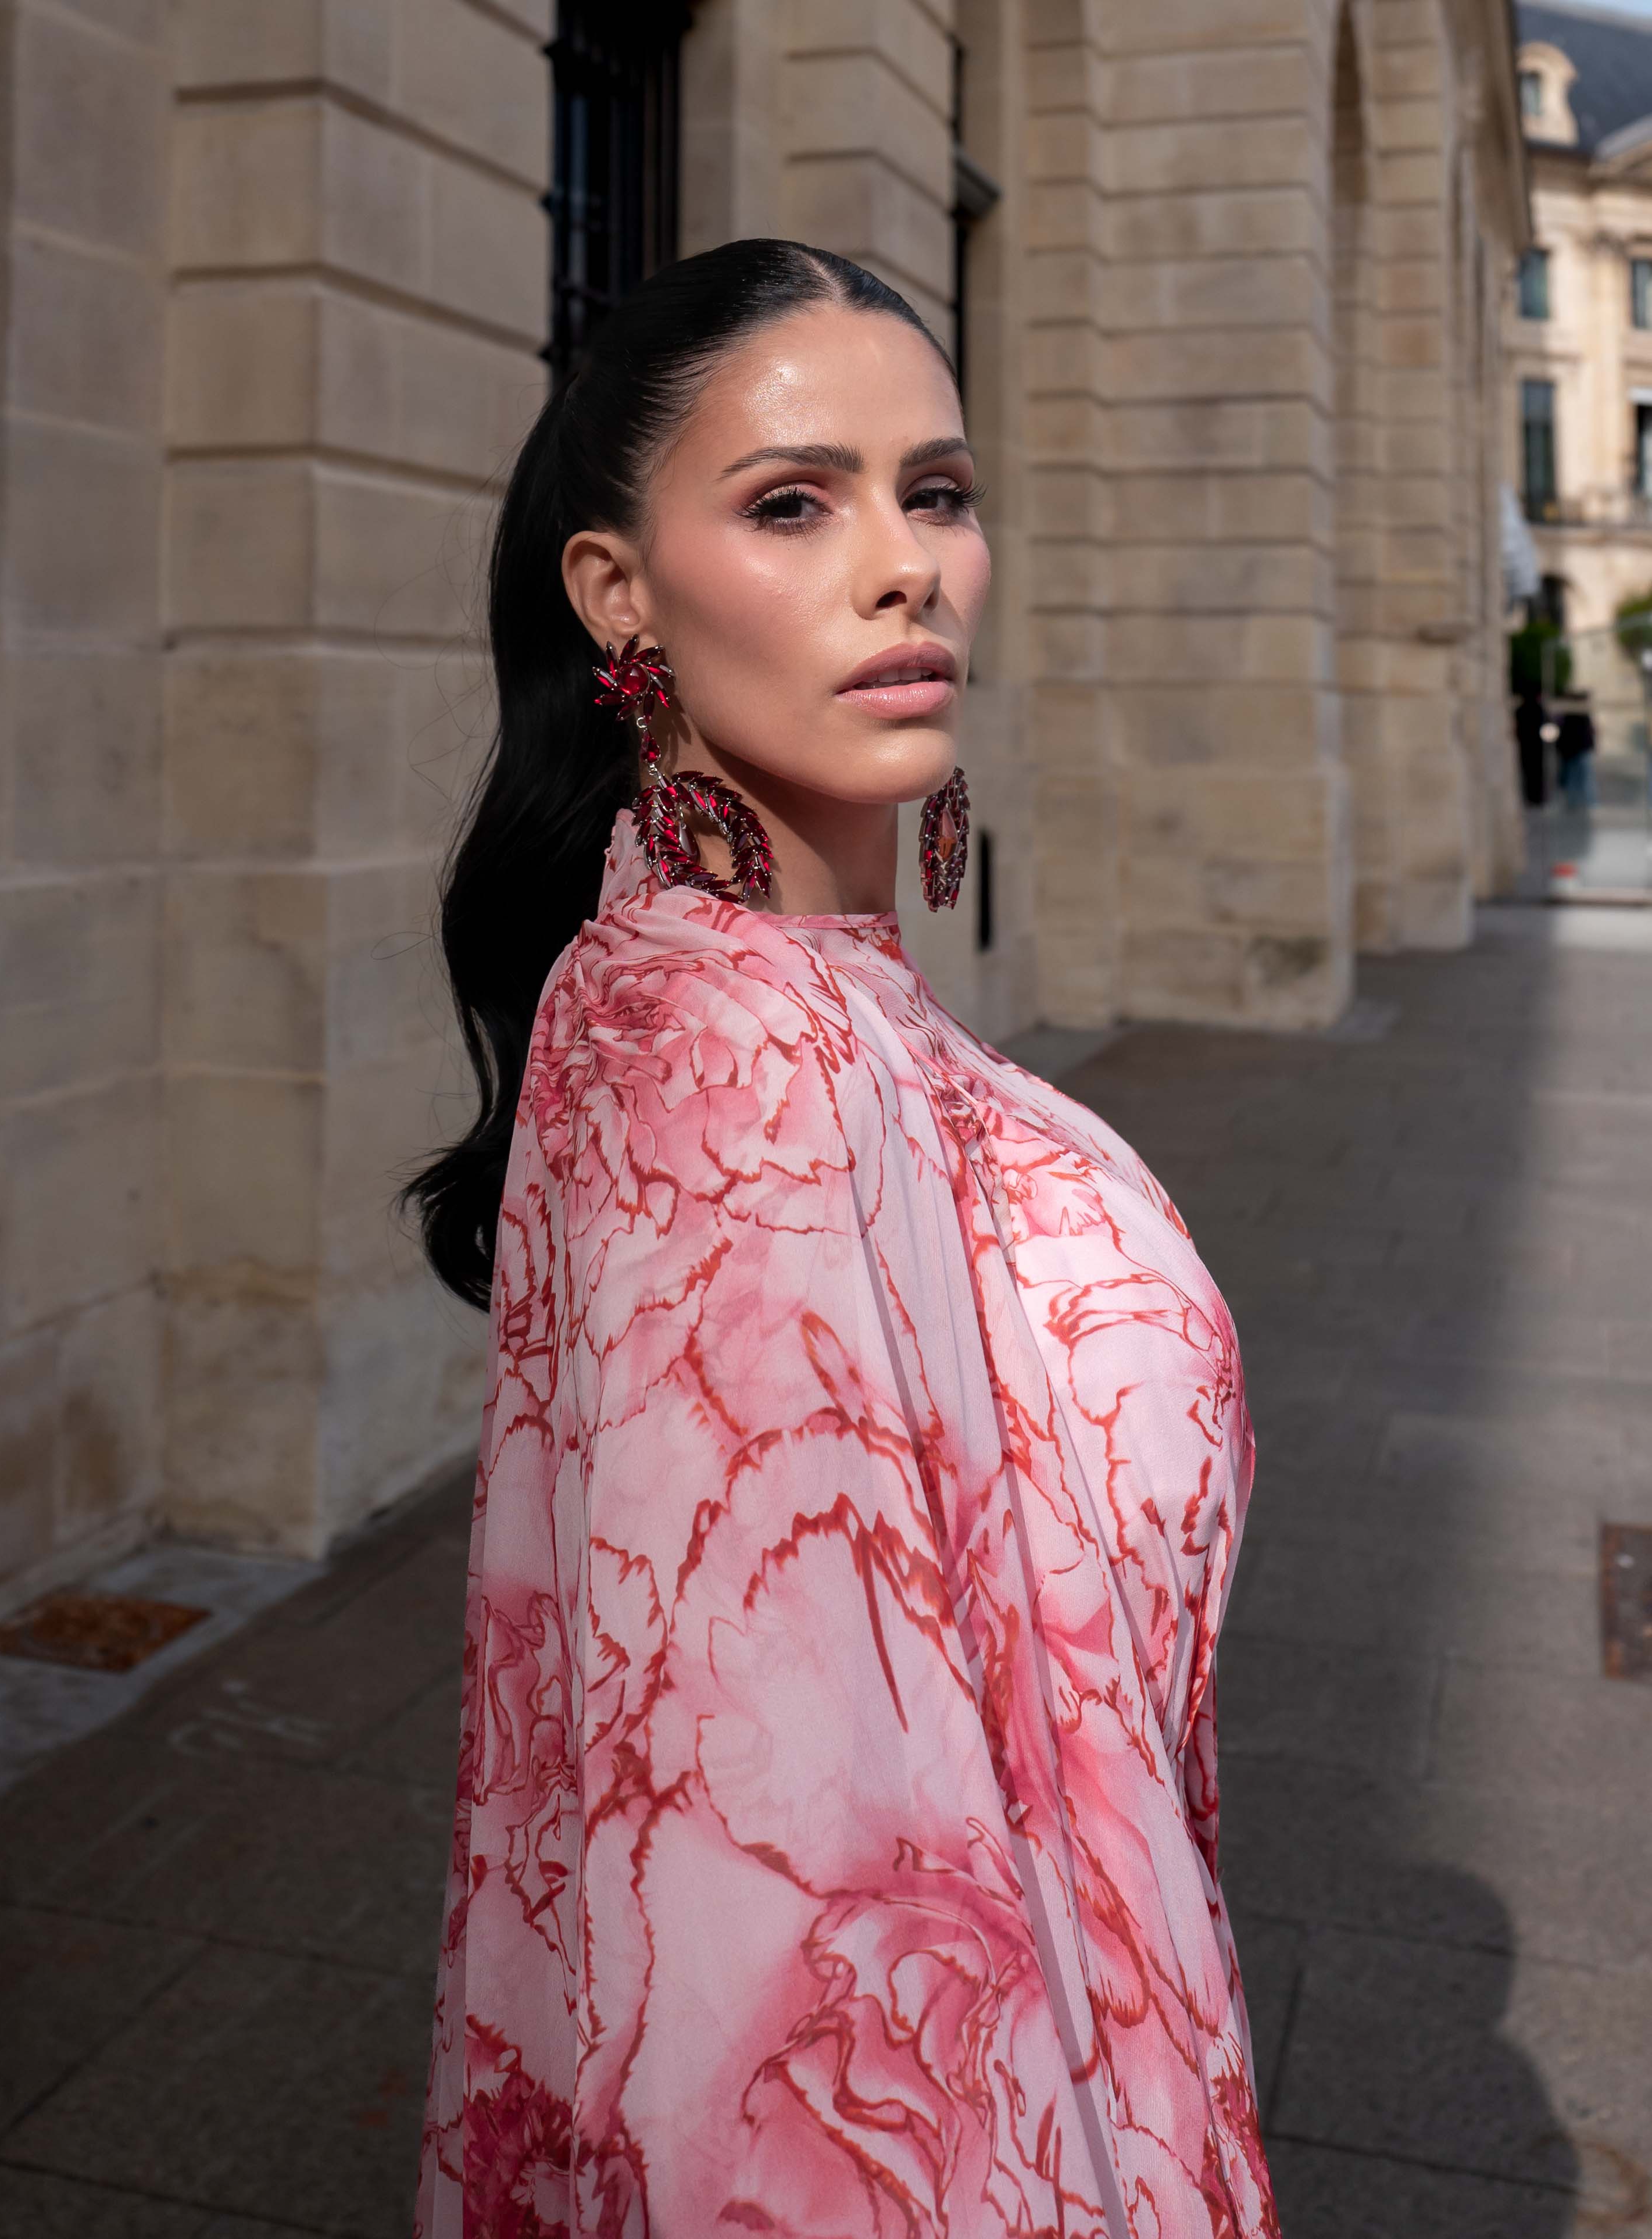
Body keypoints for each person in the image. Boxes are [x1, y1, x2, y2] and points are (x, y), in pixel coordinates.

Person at [405, 241, 1279, 2237]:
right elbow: (795, 1944)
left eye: (939, 492)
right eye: (794, 502)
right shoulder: (708, 1050)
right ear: (618, 594)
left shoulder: (788, 992)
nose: (908, 566)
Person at [1554, 689, 1598, 810]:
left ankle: (1583, 804)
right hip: (1575, 750)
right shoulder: (1574, 715)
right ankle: (1582, 804)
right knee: (1581, 779)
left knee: (1580, 779)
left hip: (1575, 750)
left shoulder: (1574, 715)